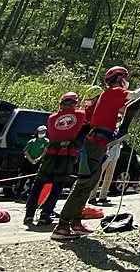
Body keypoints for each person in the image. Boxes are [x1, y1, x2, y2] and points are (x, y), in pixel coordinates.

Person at [53, 66, 140, 240]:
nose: (126, 82)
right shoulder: (113, 91)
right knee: (84, 184)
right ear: (119, 78)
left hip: (100, 143)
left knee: (90, 183)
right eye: (125, 78)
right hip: (96, 143)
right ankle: (62, 226)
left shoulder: (110, 97)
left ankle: (75, 222)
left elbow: (126, 106)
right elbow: (135, 95)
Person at [25, 93, 85, 226]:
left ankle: (29, 214)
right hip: (67, 155)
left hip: (51, 154)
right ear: (74, 103)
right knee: (57, 186)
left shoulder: (52, 118)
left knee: (39, 183)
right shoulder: (80, 115)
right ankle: (45, 214)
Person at [17, 124, 48, 198]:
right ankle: (18, 194)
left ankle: (30, 195)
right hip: (28, 161)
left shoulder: (46, 141)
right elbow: (25, 151)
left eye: (44, 132)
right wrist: (31, 160)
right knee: (23, 178)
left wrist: (38, 159)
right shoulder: (32, 141)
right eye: (41, 132)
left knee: (33, 179)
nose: (42, 133)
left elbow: (45, 151)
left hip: (37, 162)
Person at [91, 137, 122, 206]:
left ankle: (103, 197)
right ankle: (92, 197)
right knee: (98, 175)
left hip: (115, 156)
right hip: (105, 155)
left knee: (109, 177)